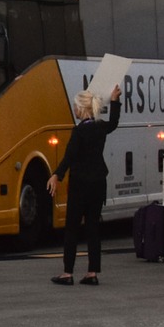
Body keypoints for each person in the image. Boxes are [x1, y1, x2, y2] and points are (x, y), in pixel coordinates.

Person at [49, 86, 124, 285]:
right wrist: (115, 100)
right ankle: (92, 273)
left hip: (80, 183)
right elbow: (114, 123)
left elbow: (69, 157)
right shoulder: (100, 127)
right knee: (93, 227)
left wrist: (57, 174)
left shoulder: (79, 131)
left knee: (72, 227)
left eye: (75, 106)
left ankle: (67, 273)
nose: (74, 109)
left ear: (82, 109)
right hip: (99, 182)